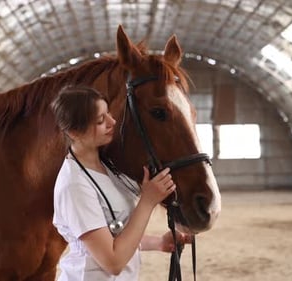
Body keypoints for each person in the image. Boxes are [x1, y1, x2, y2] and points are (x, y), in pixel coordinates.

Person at [51, 86, 192, 280]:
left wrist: (158, 243)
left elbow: (115, 235)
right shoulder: (74, 186)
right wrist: (148, 201)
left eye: (108, 113)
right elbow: (113, 261)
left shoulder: (108, 167)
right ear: (74, 132)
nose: (112, 121)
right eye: (101, 120)